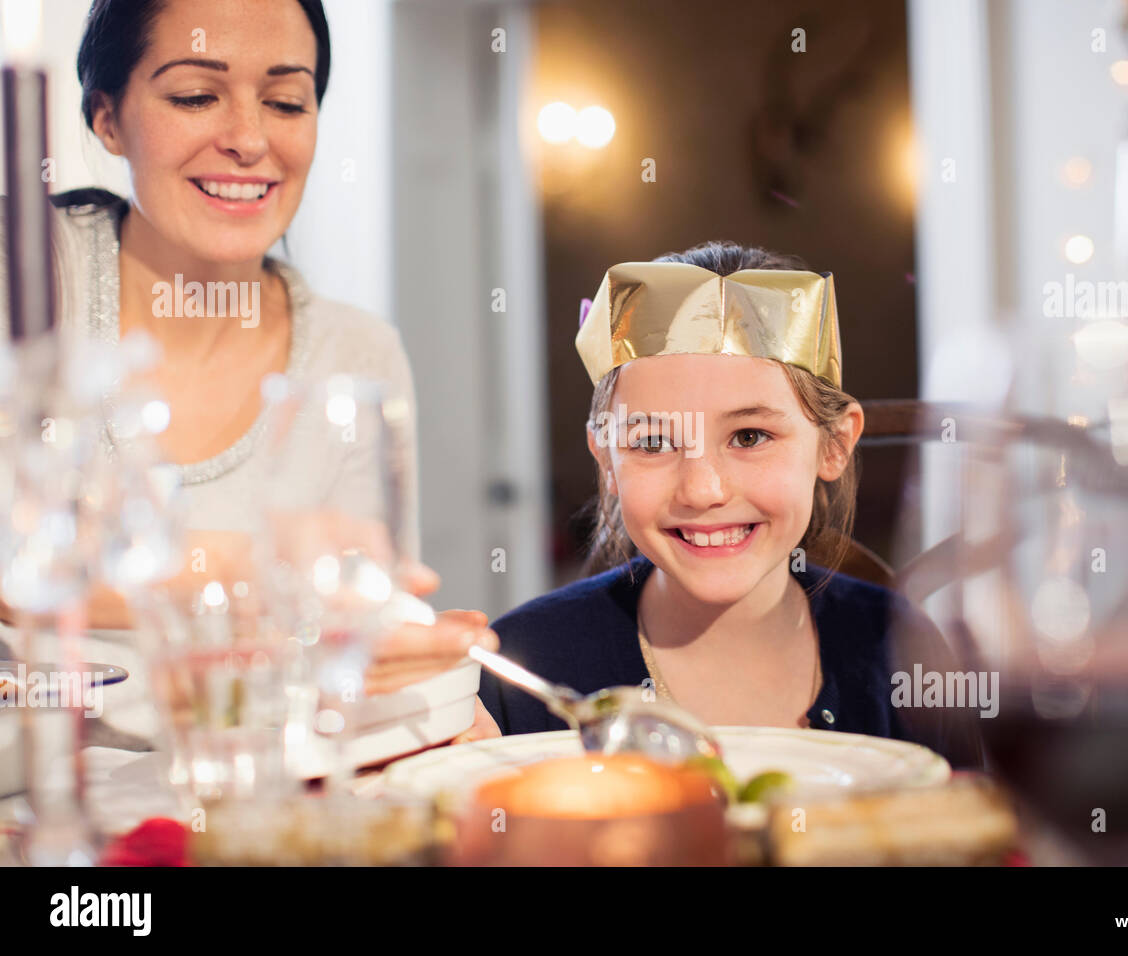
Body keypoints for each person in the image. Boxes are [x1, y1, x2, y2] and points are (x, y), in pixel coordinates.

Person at [0, 0, 498, 726]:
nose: (248, 139)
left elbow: (346, 655)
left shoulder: (355, 358)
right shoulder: (26, 278)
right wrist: (254, 570)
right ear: (106, 117)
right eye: (197, 96)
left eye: (286, 101)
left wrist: (393, 657)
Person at [477, 242, 982, 767]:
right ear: (606, 459)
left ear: (833, 444)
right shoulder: (523, 671)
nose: (703, 490)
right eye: (652, 443)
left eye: (749, 436)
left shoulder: (904, 653)